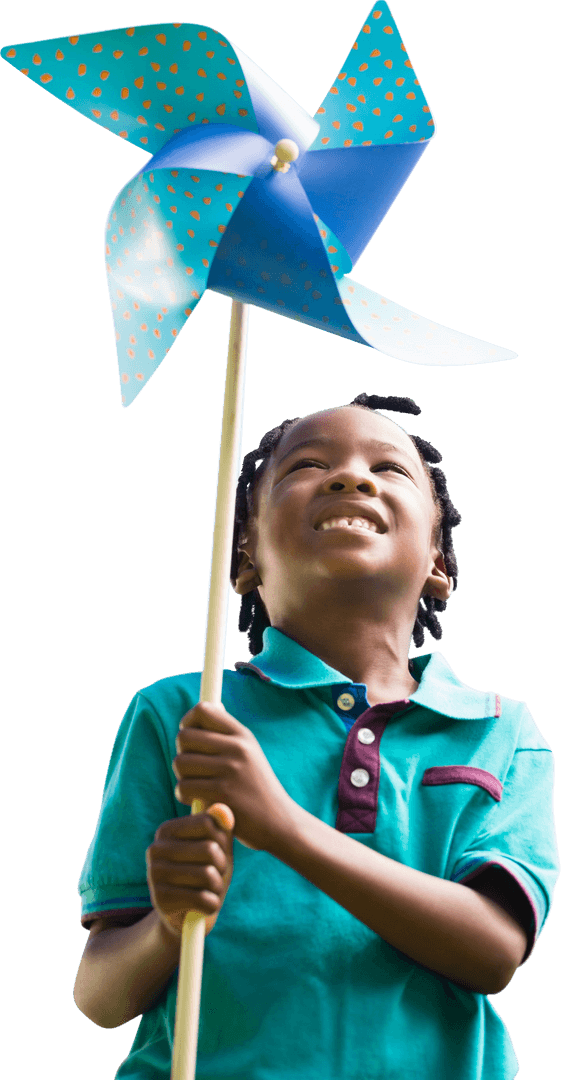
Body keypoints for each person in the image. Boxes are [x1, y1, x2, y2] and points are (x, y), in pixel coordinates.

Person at [74, 392, 558, 1079]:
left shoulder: (499, 731)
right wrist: (166, 926)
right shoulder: (184, 712)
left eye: (388, 470)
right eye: (306, 464)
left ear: (437, 561)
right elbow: (100, 997)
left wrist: (280, 825)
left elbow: (492, 951)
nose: (350, 477)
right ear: (243, 554)